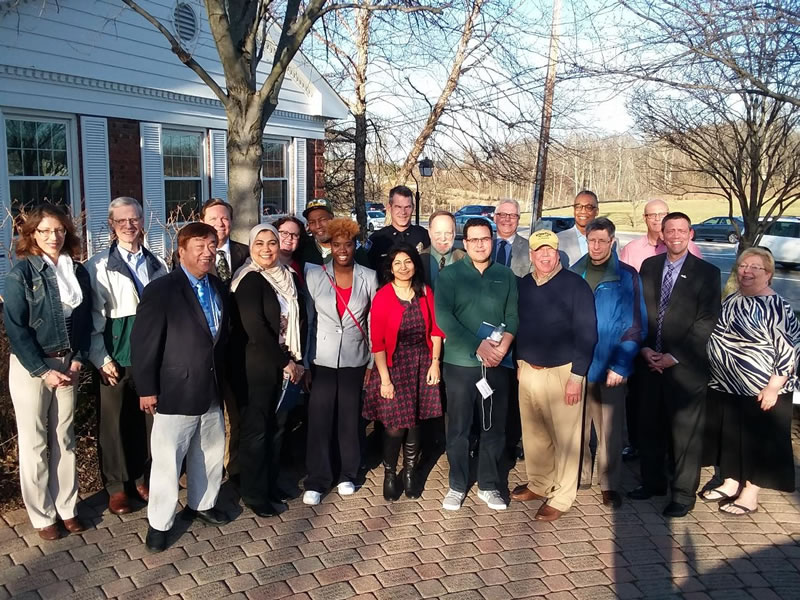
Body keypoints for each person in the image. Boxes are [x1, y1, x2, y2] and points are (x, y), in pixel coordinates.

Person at [131, 222, 231, 553]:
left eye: (212, 246)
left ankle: (202, 504)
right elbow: (144, 343)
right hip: (175, 389)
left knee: (211, 452)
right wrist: (146, 387)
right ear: (182, 251)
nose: (207, 252)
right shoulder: (162, 289)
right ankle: (159, 523)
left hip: (212, 387)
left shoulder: (217, 286)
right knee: (167, 462)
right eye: (199, 246)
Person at [4, 204, 92, 540]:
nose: (53, 237)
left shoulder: (78, 271)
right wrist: (43, 369)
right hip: (33, 367)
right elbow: (15, 328)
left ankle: (67, 508)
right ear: (31, 235)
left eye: (58, 230)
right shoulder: (21, 274)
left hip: (68, 363)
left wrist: (77, 358)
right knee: (34, 442)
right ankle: (42, 515)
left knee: (64, 439)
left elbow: (83, 320)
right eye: (44, 231)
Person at [628, 212, 721, 518]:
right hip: (649, 363)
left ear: (690, 234)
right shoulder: (649, 267)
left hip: (684, 367)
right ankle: (652, 483)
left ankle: (682, 494)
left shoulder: (707, 272)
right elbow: (638, 311)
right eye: (670, 231)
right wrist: (643, 349)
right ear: (662, 235)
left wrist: (673, 355)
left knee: (684, 435)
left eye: (682, 230)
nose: (676, 235)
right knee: (648, 427)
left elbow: (707, 321)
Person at [86, 197, 168, 516]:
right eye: (122, 221)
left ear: (142, 222)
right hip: (115, 355)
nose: (129, 226)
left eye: (134, 219)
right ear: (111, 225)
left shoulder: (158, 263)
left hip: (149, 356)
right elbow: (93, 318)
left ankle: (142, 478)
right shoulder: (97, 266)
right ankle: (117, 487)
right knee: (115, 422)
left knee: (149, 423)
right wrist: (101, 357)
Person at [702, 248, 799, 515]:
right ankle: (731, 480)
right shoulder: (733, 299)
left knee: (757, 440)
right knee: (732, 437)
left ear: (768, 273)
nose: (747, 271)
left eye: (756, 267)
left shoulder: (776, 306)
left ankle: (750, 492)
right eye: (743, 265)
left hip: (761, 388)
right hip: (727, 385)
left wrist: (773, 387)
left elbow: (788, 350)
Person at [511, 230, 597, 521]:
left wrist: (577, 376)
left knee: (566, 438)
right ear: (531, 255)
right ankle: (539, 483)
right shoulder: (523, 286)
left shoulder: (576, 286)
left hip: (564, 372)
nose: (545, 256)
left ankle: (561, 496)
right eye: (539, 251)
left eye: (550, 251)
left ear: (558, 253)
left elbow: (588, 334)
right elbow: (517, 325)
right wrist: (520, 362)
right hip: (530, 370)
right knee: (535, 434)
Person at [435, 218, 518, 512]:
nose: (480, 244)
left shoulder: (505, 275)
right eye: (474, 240)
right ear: (465, 243)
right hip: (460, 363)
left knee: (493, 427)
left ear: (492, 241)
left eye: (485, 239)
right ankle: (457, 484)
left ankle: (488, 484)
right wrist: (477, 345)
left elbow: (513, 315)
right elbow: (443, 318)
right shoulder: (450, 276)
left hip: (496, 363)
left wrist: (504, 345)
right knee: (459, 428)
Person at [229, 224, 305, 517]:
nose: (266, 249)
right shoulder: (249, 280)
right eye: (259, 243)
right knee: (257, 431)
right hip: (257, 367)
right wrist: (285, 362)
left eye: (272, 242)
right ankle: (254, 493)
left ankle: (271, 484)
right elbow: (256, 330)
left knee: (277, 428)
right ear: (250, 247)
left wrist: (295, 361)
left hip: (285, 361)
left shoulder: (285, 277)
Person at [570, 218, 646, 509]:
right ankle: (581, 473)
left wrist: (622, 363)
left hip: (611, 364)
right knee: (576, 426)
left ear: (613, 242)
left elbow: (635, 325)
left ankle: (609, 483)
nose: (597, 246)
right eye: (592, 240)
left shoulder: (627, 277)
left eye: (603, 241)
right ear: (586, 240)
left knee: (610, 430)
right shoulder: (575, 272)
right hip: (579, 364)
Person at [303, 218, 378, 505]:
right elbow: (309, 321)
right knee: (320, 419)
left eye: (348, 244)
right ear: (329, 246)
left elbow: (371, 322)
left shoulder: (368, 277)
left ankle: (348, 473)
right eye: (337, 244)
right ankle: (318, 479)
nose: (343, 249)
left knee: (350, 418)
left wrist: (371, 362)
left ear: (355, 245)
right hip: (321, 357)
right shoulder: (314, 275)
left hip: (355, 358)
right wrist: (306, 364)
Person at [363, 244, 443, 501]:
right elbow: (377, 342)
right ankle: (389, 473)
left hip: (421, 363)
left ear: (415, 264)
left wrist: (435, 362)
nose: (403, 267)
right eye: (397, 262)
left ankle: (409, 473)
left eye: (408, 261)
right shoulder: (384, 296)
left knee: (416, 422)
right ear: (390, 267)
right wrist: (385, 380)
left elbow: (436, 330)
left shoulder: (425, 292)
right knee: (396, 426)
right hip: (394, 366)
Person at [619, 199, 703, 272]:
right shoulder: (631, 249)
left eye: (662, 214)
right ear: (644, 218)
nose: (657, 219)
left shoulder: (688, 247)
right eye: (652, 215)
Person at [368, 186, 431, 278]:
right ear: (389, 208)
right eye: (398, 207)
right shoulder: (377, 239)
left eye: (407, 207)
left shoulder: (424, 236)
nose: (403, 212)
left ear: (413, 208)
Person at [296, 198, 369, 268]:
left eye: (322, 220)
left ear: (332, 219)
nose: (318, 226)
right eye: (312, 222)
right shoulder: (304, 248)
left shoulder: (350, 247)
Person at [419, 210, 465, 289]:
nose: (443, 238)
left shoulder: (467, 260)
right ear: (429, 233)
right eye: (438, 233)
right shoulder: (418, 260)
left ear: (454, 234)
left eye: (448, 233)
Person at [557, 190, 599, 267]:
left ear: (596, 211)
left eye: (588, 207)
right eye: (578, 207)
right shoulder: (558, 240)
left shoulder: (610, 241)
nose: (583, 211)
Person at [493, 199, 531, 277]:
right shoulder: (482, 244)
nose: (507, 219)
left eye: (513, 215)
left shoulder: (530, 249)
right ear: (495, 218)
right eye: (503, 214)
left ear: (518, 220)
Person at [274, 215, 307, 285]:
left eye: (295, 235)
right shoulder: (265, 264)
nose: (289, 238)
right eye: (285, 233)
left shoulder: (302, 267)